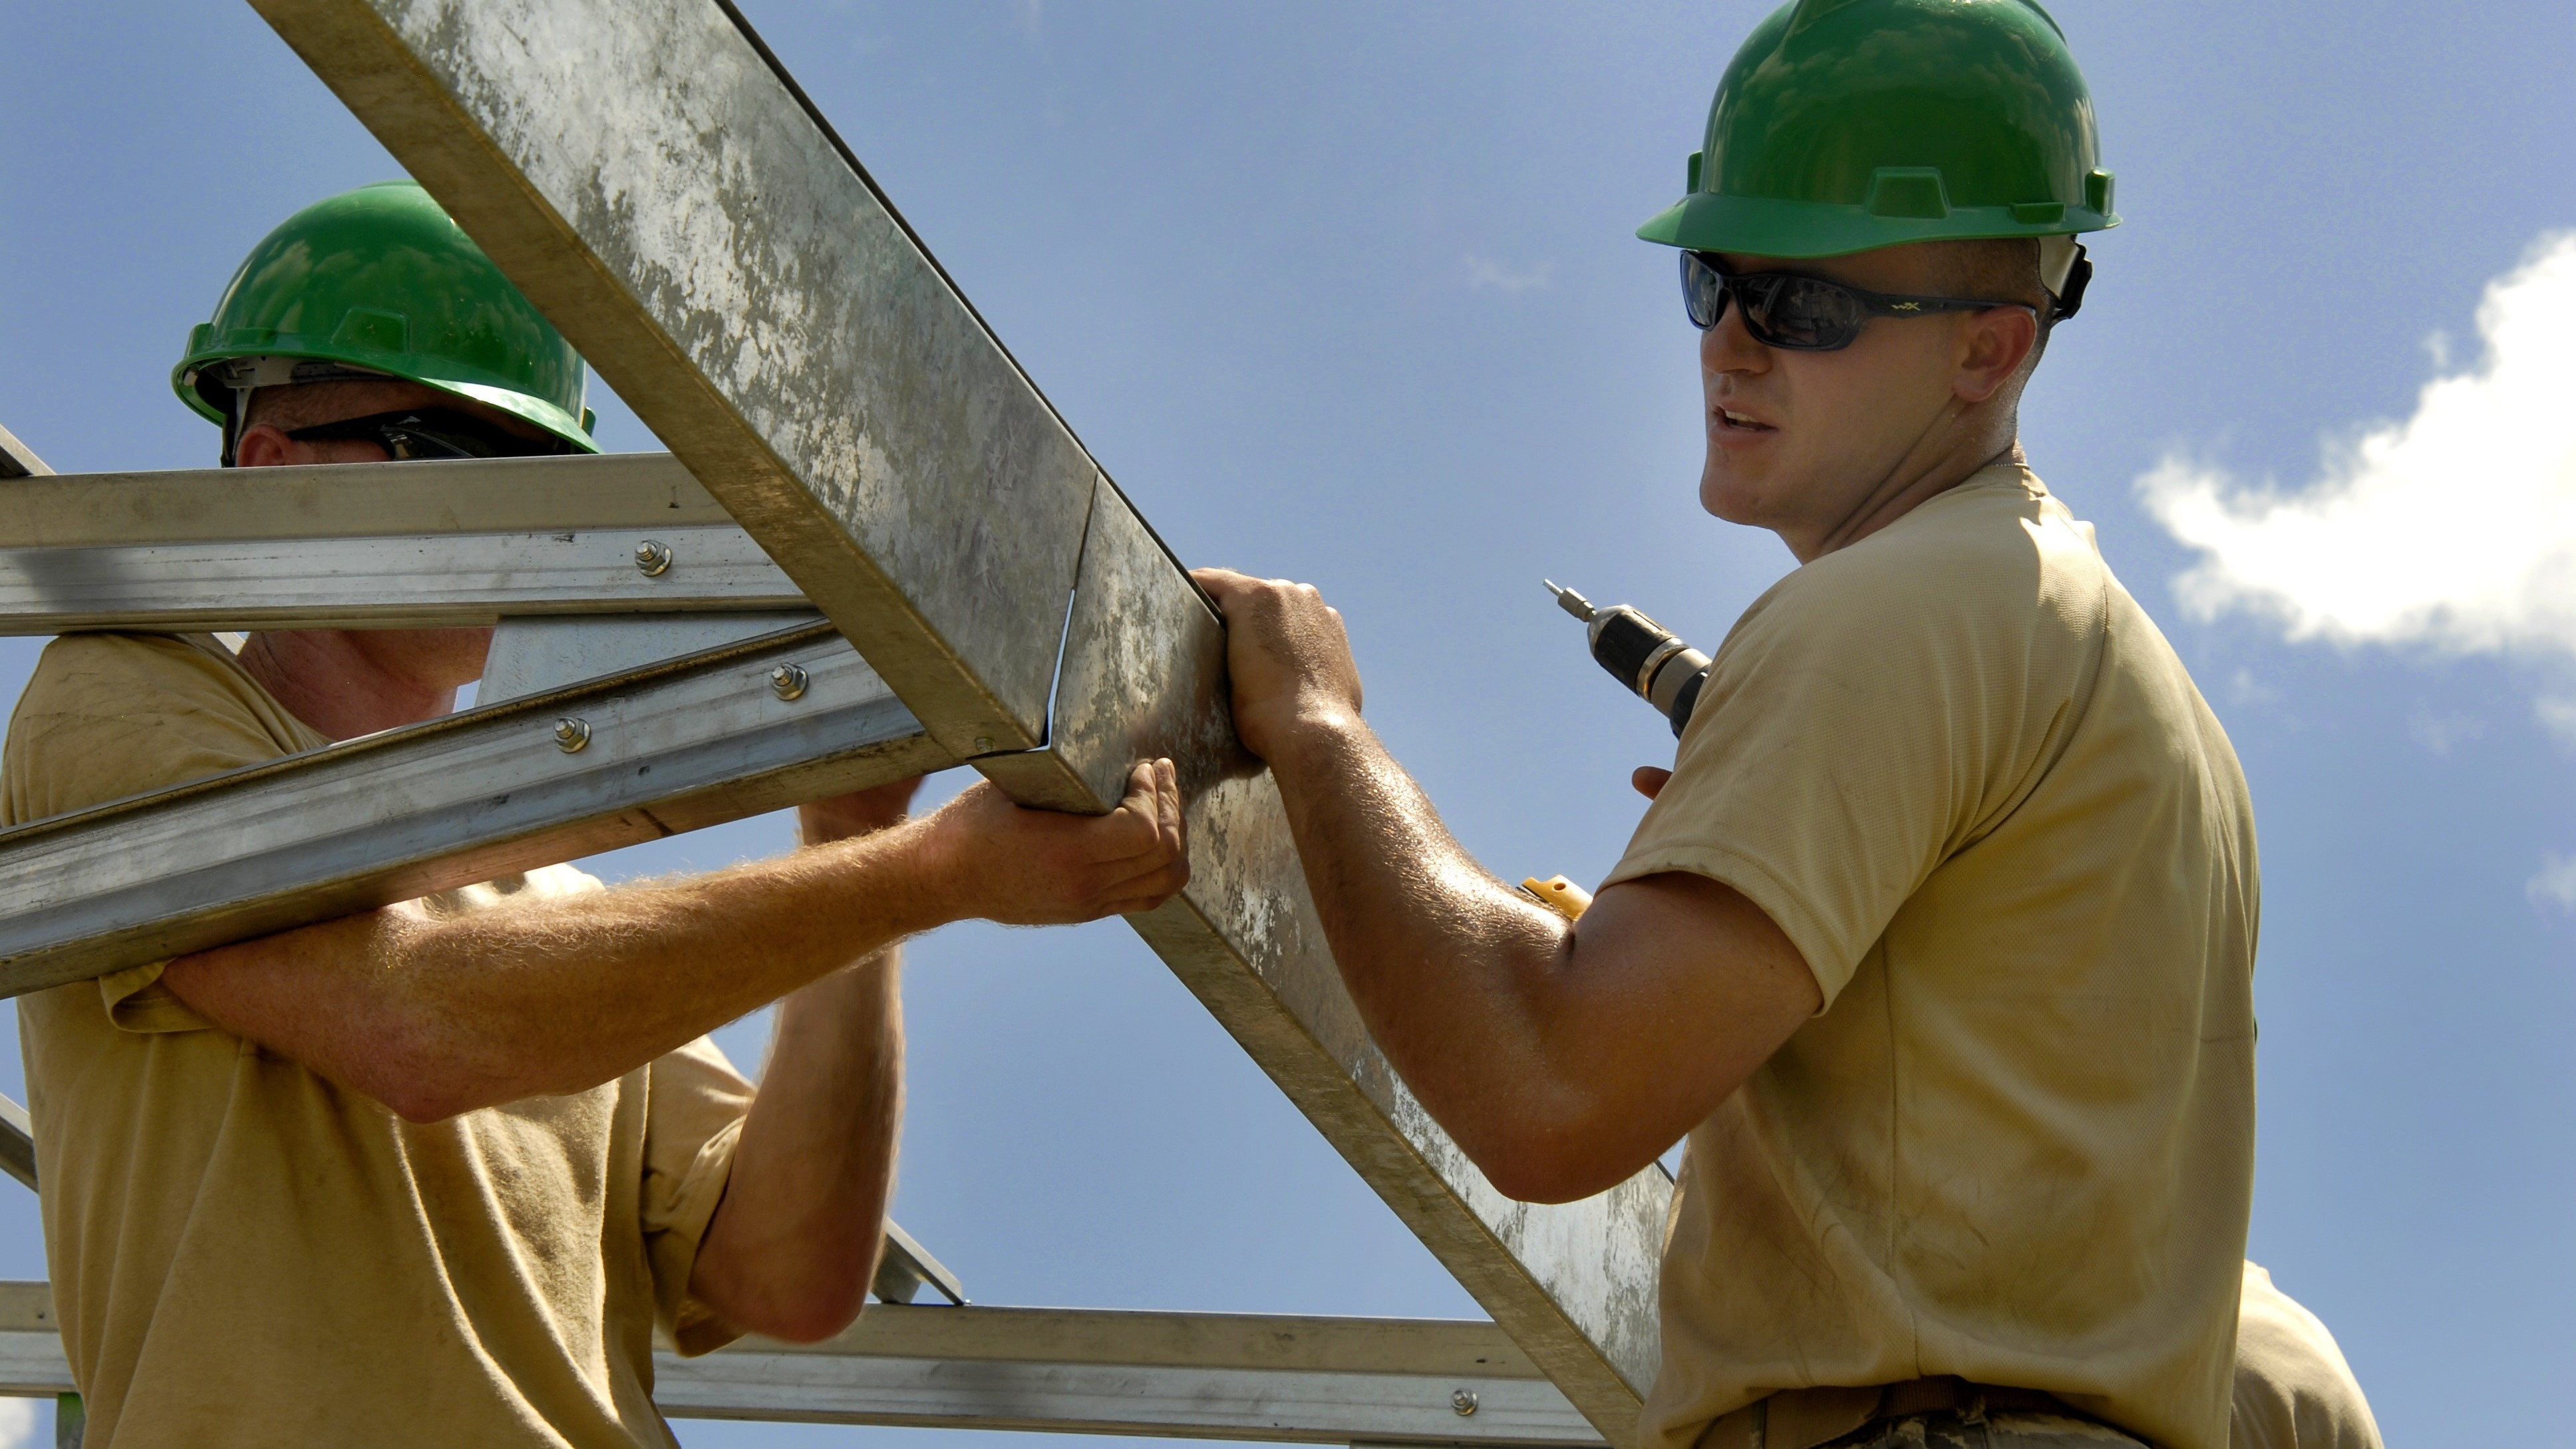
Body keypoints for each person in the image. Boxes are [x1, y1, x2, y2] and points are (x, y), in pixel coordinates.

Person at [1195, 3, 2263, 1447]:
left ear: (1986, 350)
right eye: (1716, 282)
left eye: (1805, 306)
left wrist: (1320, 732)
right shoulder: (2098, 659)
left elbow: (1549, 1092)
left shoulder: (1895, 613)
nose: (1734, 348)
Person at [7, 180, 1190, 1448]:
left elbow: (785, 1272)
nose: (512, 521)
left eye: (539, 475)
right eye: (459, 456)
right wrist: (926, 876)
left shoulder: (561, 912)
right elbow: (413, 1020)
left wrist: (852, 843)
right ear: (269, 467)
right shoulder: (129, 697)